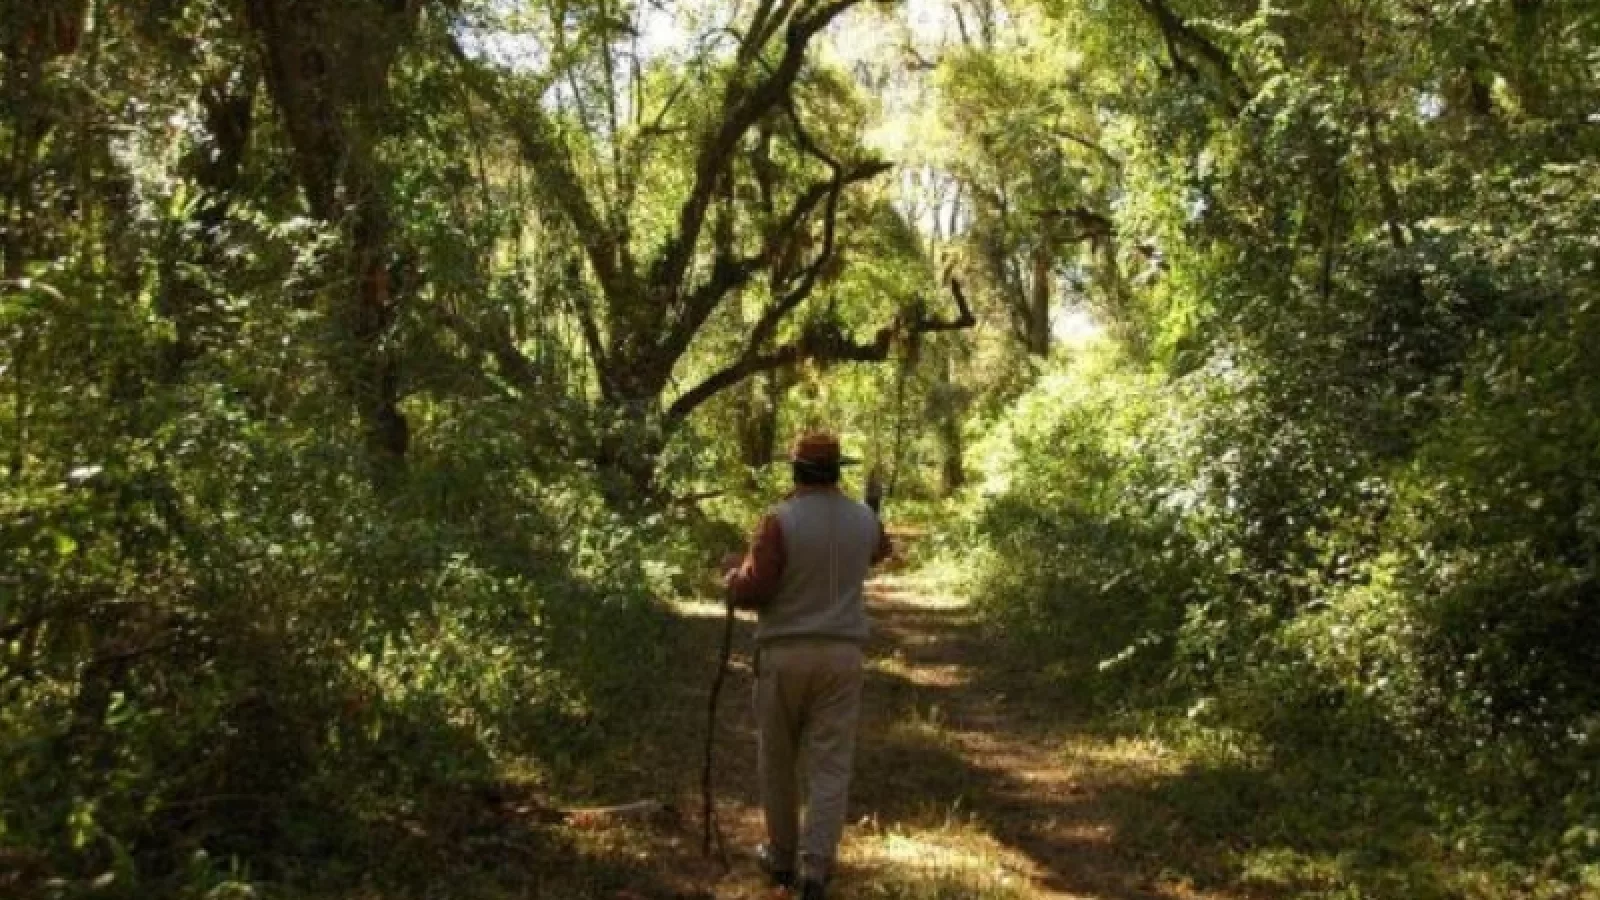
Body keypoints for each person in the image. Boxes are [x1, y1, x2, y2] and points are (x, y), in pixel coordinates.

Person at [723, 431, 892, 900]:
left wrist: (732, 577)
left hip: (785, 652)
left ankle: (781, 858)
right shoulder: (864, 519)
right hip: (843, 656)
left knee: (778, 760)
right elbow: (879, 551)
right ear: (837, 471)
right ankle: (817, 866)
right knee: (831, 763)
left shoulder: (779, 520)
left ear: (796, 470)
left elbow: (755, 591)